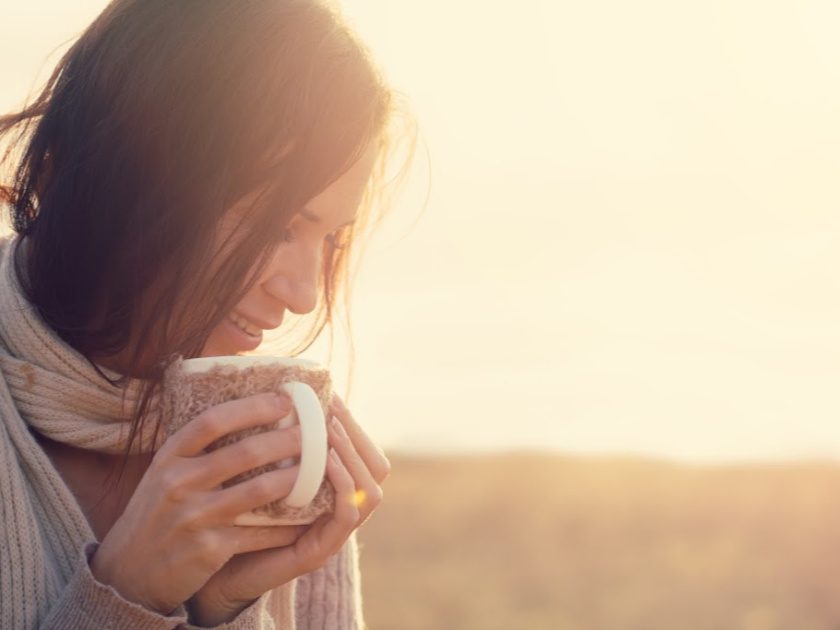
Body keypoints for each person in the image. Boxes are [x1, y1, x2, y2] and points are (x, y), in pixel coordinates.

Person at [0, 0, 416, 628]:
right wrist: (128, 593)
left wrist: (223, 608)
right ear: (136, 176)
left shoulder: (282, 458)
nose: (304, 294)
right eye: (278, 226)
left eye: (330, 239)